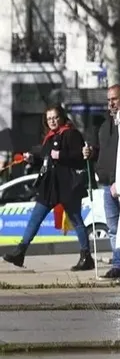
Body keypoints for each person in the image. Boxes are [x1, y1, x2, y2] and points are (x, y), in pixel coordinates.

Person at [3, 105, 93, 271]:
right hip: (50, 186)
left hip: (67, 186)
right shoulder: (49, 137)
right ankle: (20, 251)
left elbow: (80, 157)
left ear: (62, 117)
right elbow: (45, 158)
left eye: (55, 117)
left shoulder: (71, 133)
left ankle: (86, 256)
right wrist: (32, 159)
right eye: (49, 118)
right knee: (35, 219)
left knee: (76, 221)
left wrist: (61, 155)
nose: (52, 121)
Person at [83, 85, 120, 279]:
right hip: (106, 180)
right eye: (108, 100)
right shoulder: (102, 121)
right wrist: (90, 153)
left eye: (115, 99)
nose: (111, 103)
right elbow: (98, 149)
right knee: (113, 227)